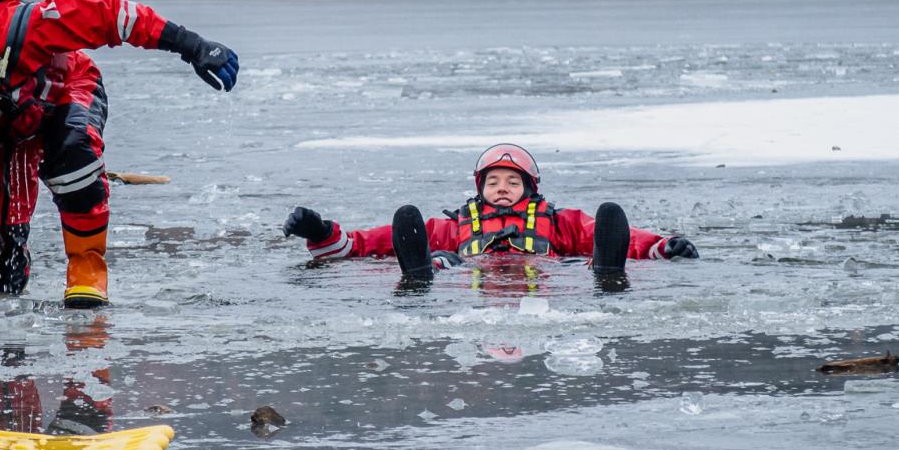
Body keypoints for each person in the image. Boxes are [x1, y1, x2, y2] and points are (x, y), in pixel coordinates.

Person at [0, 0, 239, 312]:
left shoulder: (15, 32)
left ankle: (86, 270)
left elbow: (109, 16)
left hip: (60, 93)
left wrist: (191, 45)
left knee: (73, 157)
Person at [282, 143, 697, 280]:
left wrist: (664, 246)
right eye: (494, 183)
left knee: (584, 262)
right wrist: (317, 230)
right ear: (480, 189)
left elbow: (604, 231)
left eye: (513, 183)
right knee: (442, 259)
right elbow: (361, 244)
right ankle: (421, 274)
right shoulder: (452, 225)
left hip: (549, 274)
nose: (503, 189)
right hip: (467, 271)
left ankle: (606, 272)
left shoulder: (559, 221)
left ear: (529, 189)